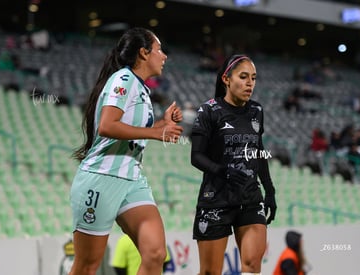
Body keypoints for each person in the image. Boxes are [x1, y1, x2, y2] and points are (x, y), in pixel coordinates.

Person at [69, 27, 183, 275]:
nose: (164, 56)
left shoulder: (142, 88)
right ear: (143, 53)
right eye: (159, 50)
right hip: (102, 179)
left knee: (155, 254)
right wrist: (156, 132)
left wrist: (162, 124)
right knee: (87, 266)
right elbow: (107, 126)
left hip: (132, 180)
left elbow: (132, 130)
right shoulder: (124, 79)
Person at [190, 54, 277, 275]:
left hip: (250, 198)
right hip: (216, 198)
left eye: (254, 78)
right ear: (227, 79)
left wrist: (270, 190)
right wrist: (223, 171)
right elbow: (196, 156)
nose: (250, 83)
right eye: (244, 77)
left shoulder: (257, 111)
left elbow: (258, 152)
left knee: (251, 267)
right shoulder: (209, 110)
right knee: (210, 272)